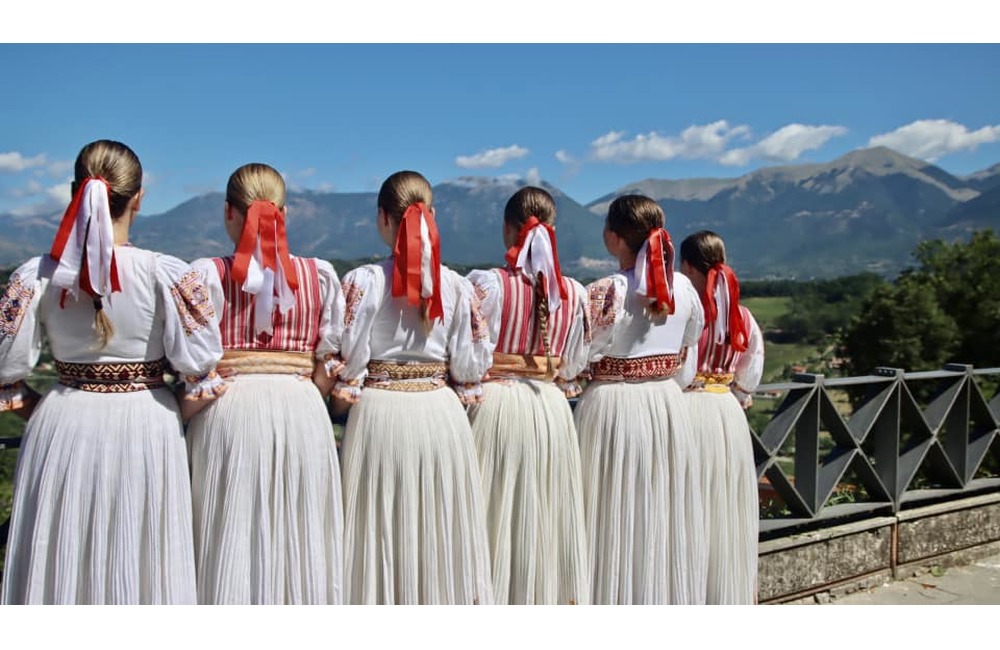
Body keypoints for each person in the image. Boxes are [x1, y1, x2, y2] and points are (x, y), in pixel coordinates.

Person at [0, 139, 225, 604]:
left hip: (60, 425)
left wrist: (39, 409)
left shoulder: (35, 275)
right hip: (146, 426)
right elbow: (202, 374)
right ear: (139, 198)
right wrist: (174, 410)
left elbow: (5, 372)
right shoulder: (167, 273)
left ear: (73, 192)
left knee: (61, 559)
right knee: (143, 560)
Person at [183, 163, 347, 604]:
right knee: (299, 529)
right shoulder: (320, 276)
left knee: (229, 532)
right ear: (284, 214)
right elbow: (328, 361)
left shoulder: (205, 275)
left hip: (228, 409)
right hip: (302, 410)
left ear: (228, 213)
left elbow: (191, 359)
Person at [333, 170, 493, 605]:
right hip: (441, 415)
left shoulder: (364, 282)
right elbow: (470, 365)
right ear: (432, 217)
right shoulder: (459, 287)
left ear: (383, 218)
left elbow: (347, 358)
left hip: (380, 414)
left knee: (379, 529)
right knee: (439, 529)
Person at [574, 194, 705, 605]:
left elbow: (575, 356)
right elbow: (690, 344)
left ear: (613, 238)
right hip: (667, 404)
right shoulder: (683, 289)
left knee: (608, 511)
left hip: (613, 407)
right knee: (661, 512)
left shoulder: (606, 291)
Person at [466, 186, 591, 605]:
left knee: (490, 513)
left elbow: (467, 354)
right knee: (544, 516)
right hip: (550, 409)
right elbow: (574, 366)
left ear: (507, 229)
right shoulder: (572, 293)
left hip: (495, 407)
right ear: (553, 231)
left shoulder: (488, 285)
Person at [679, 230, 764, 605]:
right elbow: (750, 372)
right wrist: (737, 393)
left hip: (690, 407)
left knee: (688, 505)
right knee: (724, 507)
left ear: (684, 266)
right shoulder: (741, 315)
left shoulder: (684, 313)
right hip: (727, 412)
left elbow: (677, 368)